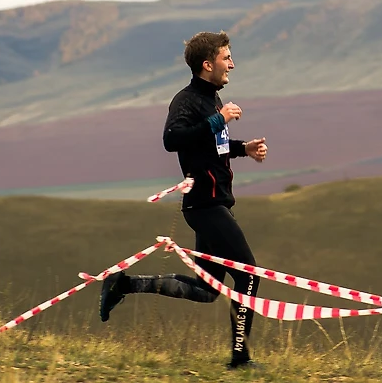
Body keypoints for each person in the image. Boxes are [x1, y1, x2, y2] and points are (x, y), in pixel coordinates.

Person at [98, 31, 267, 370]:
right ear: (208, 64)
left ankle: (123, 284)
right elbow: (172, 139)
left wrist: (241, 149)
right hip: (206, 206)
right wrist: (219, 120)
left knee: (207, 291)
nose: (232, 64)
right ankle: (240, 359)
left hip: (214, 204)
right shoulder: (187, 100)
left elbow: (210, 146)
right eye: (226, 58)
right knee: (249, 274)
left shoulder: (212, 101)